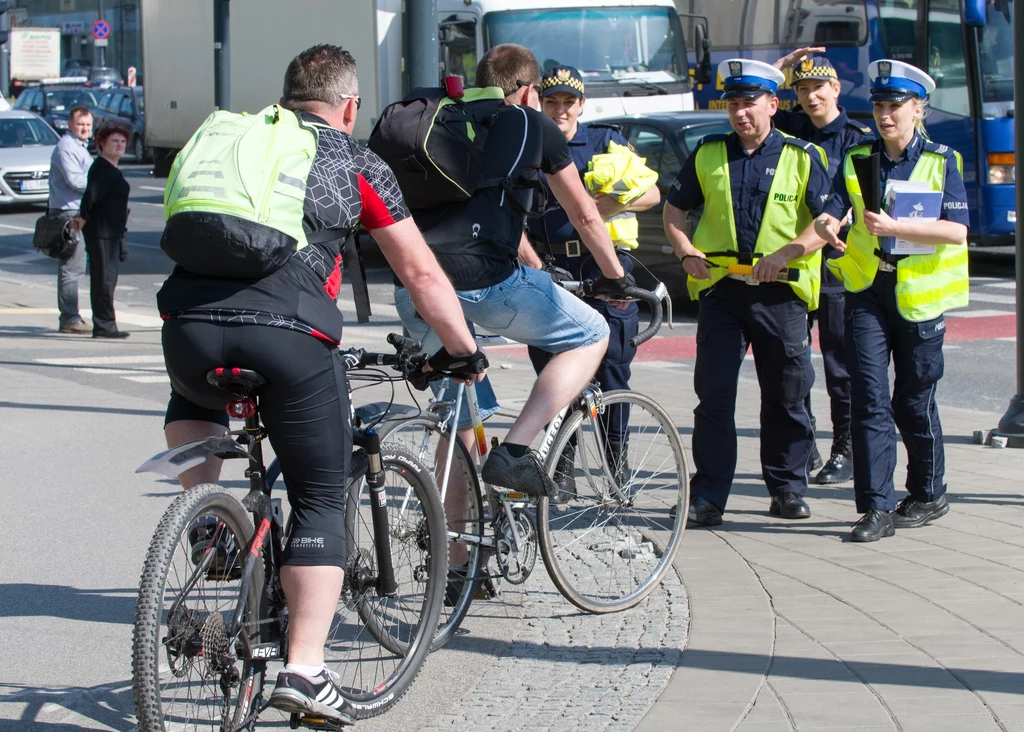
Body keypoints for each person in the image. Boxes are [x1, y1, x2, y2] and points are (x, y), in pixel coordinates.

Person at [157, 45, 484, 725]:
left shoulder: (230, 141)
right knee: (318, 494)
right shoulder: (353, 160)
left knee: (197, 397)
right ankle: (306, 672)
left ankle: (211, 519)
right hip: (287, 335)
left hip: (186, 330)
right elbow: (420, 275)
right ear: (350, 105)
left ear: (284, 96)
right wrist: (463, 350)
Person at [394, 43, 631, 499]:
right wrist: (616, 277)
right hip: (479, 282)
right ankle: (517, 450)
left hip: (416, 286)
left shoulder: (447, 119)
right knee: (592, 333)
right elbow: (583, 214)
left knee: (460, 420)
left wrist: (535, 264)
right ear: (529, 92)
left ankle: (458, 555)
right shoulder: (530, 124)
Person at [663, 59, 832, 526]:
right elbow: (674, 212)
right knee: (714, 398)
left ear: (773, 105)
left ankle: (787, 489)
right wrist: (684, 251)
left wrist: (790, 253)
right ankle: (708, 496)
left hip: (781, 293)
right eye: (733, 104)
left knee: (787, 395)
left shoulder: (803, 157)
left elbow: (826, 223)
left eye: (749, 103)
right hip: (722, 292)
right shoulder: (708, 153)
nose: (740, 113)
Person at [814, 59, 969, 543]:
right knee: (870, 398)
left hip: (919, 300)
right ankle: (875, 509)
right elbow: (832, 211)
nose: (885, 115)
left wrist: (897, 227)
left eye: (895, 106)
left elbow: (957, 230)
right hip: (867, 291)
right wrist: (826, 227)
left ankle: (927, 492)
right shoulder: (859, 156)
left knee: (913, 400)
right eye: (879, 105)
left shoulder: (943, 160)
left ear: (918, 109)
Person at [525, 65, 660, 493]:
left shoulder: (604, 141)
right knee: (552, 370)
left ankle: (617, 469)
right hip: (551, 271)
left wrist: (606, 205)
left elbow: (653, 194)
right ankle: (561, 470)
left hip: (605, 270)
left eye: (568, 102)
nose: (560, 110)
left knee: (613, 371)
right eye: (552, 102)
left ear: (581, 104)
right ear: (540, 103)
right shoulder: (530, 142)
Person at [771, 49, 875, 484]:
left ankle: (845, 449)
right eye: (802, 89)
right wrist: (778, 70)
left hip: (835, 262)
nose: (811, 97)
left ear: (835, 89)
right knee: (793, 360)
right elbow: (752, 106)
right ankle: (805, 444)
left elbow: (861, 196)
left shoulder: (856, 136)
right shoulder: (791, 127)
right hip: (795, 260)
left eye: (818, 87)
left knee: (838, 362)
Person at [73, 123, 131, 339]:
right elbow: (91, 195)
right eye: (114, 141)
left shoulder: (109, 168)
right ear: (102, 144)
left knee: (106, 279)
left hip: (110, 232)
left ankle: (105, 324)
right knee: (104, 280)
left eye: (123, 141)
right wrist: (83, 217)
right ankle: (104, 325)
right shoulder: (103, 168)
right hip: (102, 232)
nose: (119, 145)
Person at [48, 106, 93, 334]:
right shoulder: (67, 147)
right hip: (69, 215)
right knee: (70, 268)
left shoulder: (79, 147)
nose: (85, 128)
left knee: (74, 266)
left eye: (88, 124)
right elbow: (76, 181)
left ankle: (71, 315)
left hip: (75, 212)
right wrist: (99, 182)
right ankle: (70, 318)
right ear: (70, 125)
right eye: (80, 124)